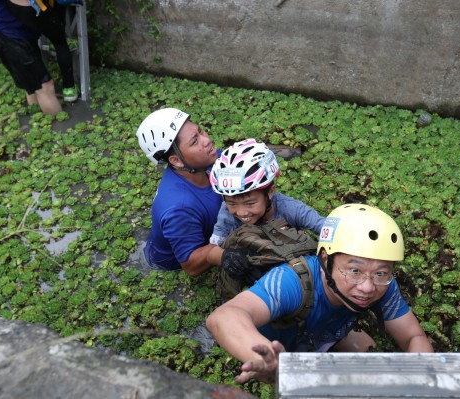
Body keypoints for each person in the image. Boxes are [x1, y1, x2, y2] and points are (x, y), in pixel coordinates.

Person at [206, 203, 434, 384]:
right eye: (354, 270)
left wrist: (420, 382)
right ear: (326, 259)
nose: (367, 287)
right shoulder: (292, 281)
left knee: (366, 351)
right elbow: (224, 317)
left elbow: (413, 337)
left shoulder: (382, 283)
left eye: (381, 272)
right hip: (280, 348)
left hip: (323, 332)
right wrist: (267, 359)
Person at [206, 138, 325, 277]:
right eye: (232, 203)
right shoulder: (226, 212)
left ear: (270, 192)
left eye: (250, 203)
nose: (241, 212)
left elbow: (326, 228)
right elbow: (211, 251)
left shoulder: (290, 208)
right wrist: (225, 256)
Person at [136, 107, 221, 276]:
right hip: (171, 268)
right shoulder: (180, 208)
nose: (206, 140)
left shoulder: (205, 162)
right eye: (195, 141)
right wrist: (234, 242)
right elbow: (191, 266)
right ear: (176, 160)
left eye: (201, 131)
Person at [0, 0, 63, 115]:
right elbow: (25, 4)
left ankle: (40, 116)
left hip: (17, 29)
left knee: (32, 85)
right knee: (45, 85)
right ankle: (58, 128)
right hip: (4, 32)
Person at [7, 0, 78, 102]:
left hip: (17, 8)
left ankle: (39, 88)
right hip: (40, 6)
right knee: (60, 43)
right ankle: (69, 88)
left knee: (30, 42)